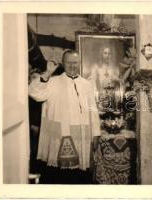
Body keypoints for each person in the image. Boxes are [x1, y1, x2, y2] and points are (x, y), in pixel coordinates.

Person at [29, 50, 101, 184]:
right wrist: (48, 72)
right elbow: (34, 93)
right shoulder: (53, 82)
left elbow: (93, 109)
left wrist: (96, 133)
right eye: (69, 63)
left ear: (79, 63)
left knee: (80, 175)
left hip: (82, 135)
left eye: (75, 63)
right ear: (63, 63)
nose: (72, 66)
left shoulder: (86, 84)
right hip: (61, 134)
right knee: (60, 176)